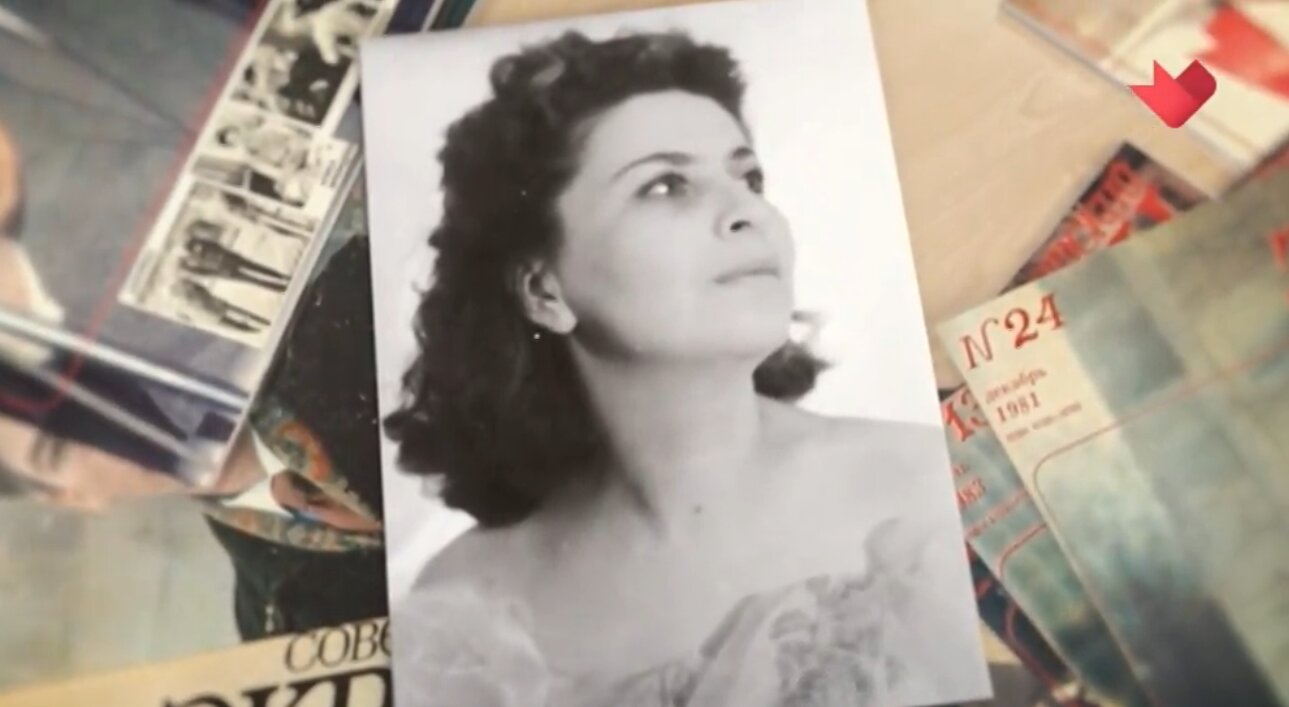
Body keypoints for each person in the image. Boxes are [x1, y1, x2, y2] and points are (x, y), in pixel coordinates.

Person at [386, 30, 984, 707]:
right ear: (544, 292)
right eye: (666, 185)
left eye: (748, 177)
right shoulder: (464, 613)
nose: (747, 212)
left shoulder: (925, 491)